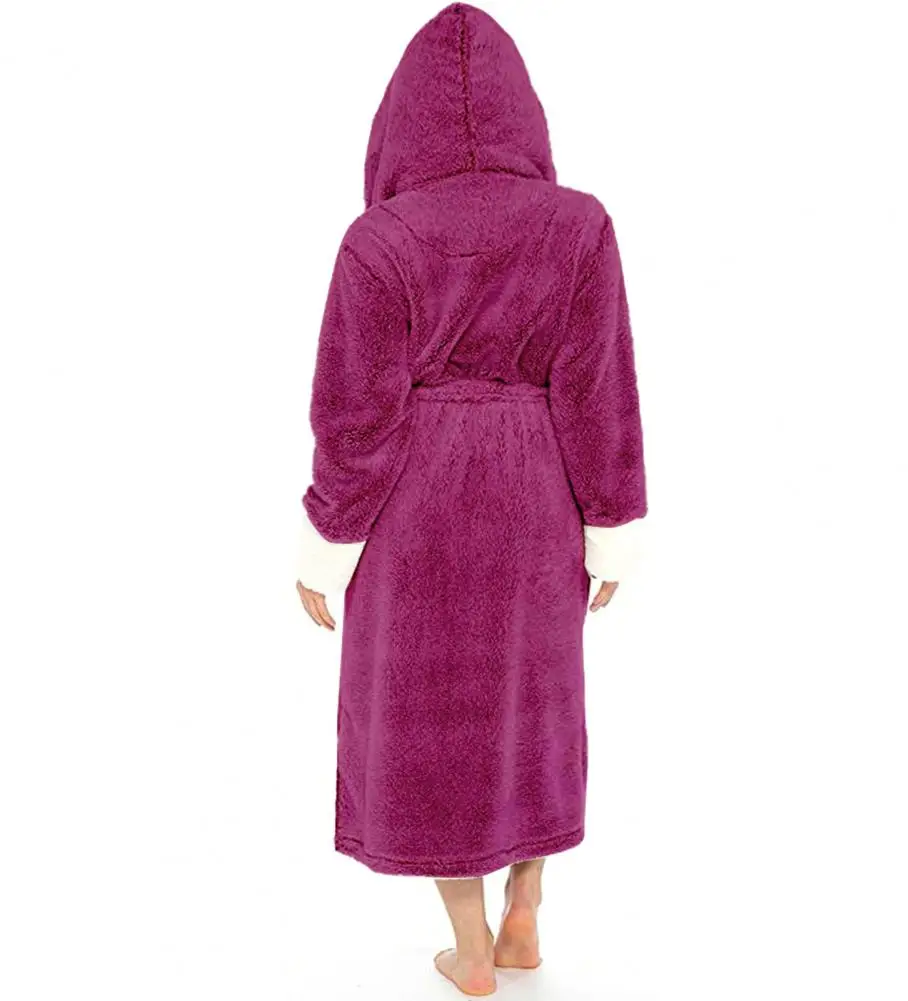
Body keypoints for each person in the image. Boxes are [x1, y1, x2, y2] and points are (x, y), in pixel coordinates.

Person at [295, 4, 647, 995]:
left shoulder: (379, 240)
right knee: (534, 699)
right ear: (525, 113)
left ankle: (472, 941)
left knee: (432, 715)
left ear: (394, 125)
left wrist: (327, 541)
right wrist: (610, 524)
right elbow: (601, 394)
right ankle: (527, 906)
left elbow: (353, 416)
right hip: (539, 495)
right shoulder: (579, 227)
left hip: (417, 508)